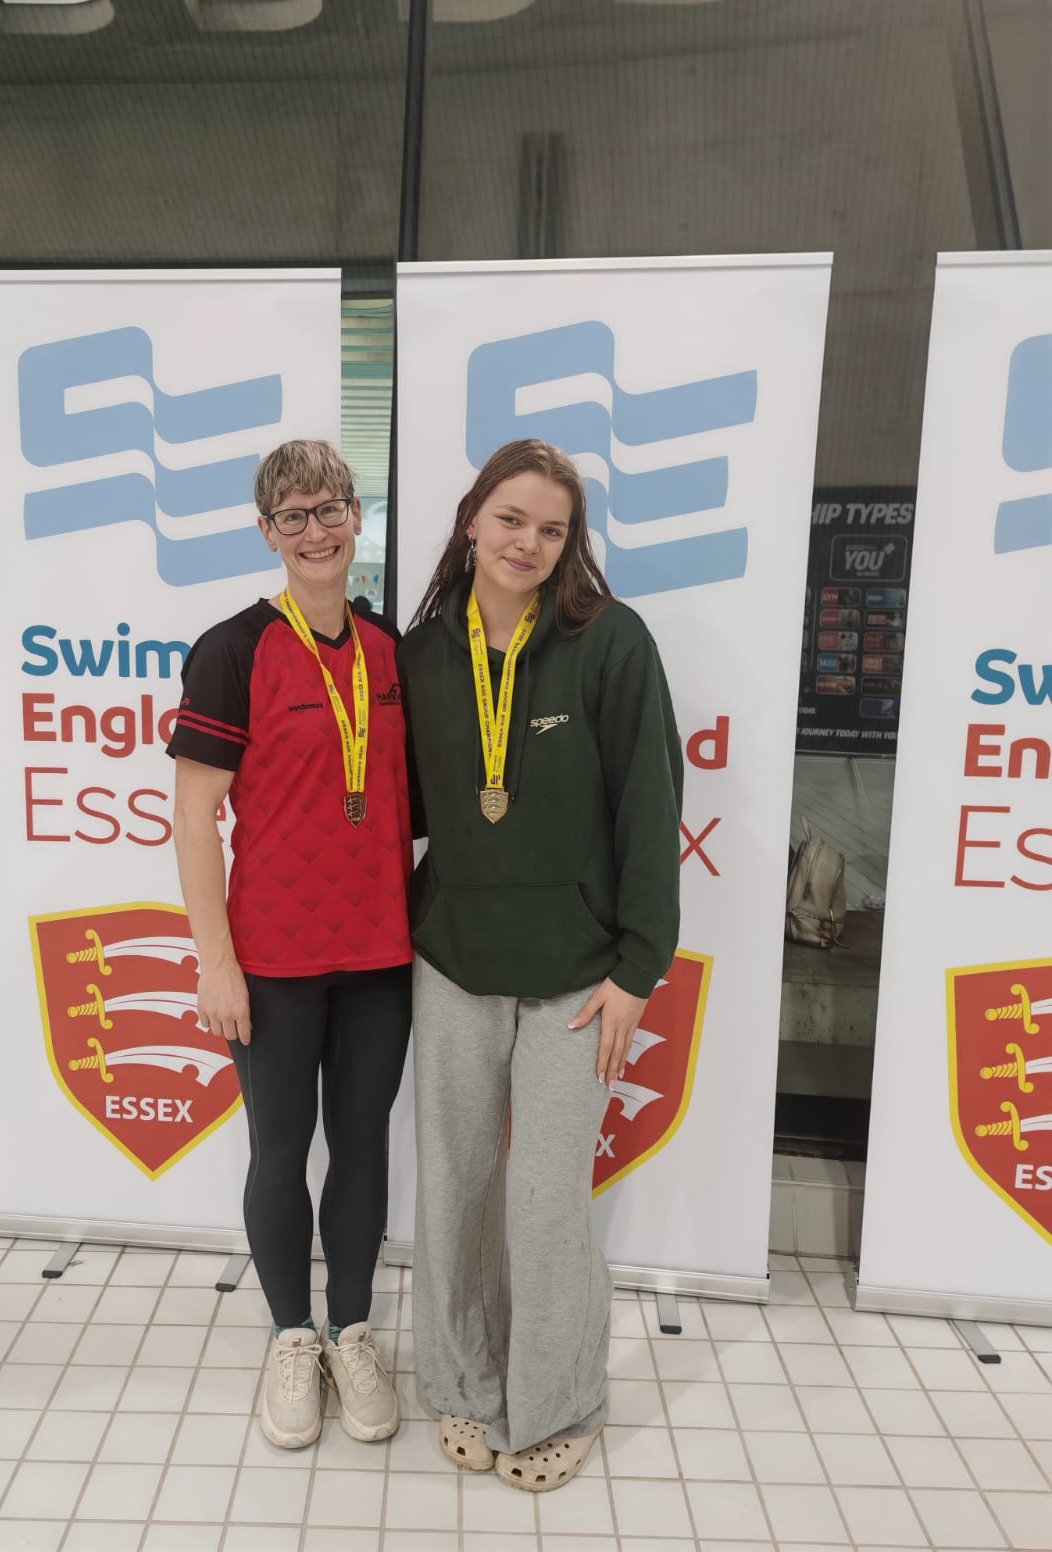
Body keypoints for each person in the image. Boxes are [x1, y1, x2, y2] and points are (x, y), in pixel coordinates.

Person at [397, 438, 683, 1493]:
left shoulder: (609, 642)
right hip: (455, 958)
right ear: (472, 520)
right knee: (457, 1183)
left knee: (546, 1195)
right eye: (511, 518)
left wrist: (637, 967)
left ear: (570, 545)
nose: (528, 542)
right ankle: (465, 1383)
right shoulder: (424, 653)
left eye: (551, 528)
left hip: (580, 973)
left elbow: (650, 812)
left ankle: (559, 1400)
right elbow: (404, 809)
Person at [168, 440, 413, 1452]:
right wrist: (214, 961)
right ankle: (289, 1335)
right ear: (266, 533)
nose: (317, 531)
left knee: (360, 1144)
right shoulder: (232, 649)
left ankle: (351, 1328)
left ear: (358, 517)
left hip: (381, 953)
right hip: (270, 956)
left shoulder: (393, 648)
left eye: (331, 509)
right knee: (279, 1150)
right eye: (293, 516)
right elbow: (193, 819)